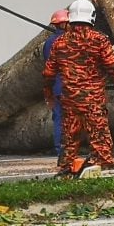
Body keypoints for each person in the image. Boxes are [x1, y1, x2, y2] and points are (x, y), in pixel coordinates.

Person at [43, 0, 114, 176]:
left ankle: (66, 166)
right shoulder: (100, 40)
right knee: (99, 134)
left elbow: (49, 73)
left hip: (70, 98)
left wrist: (49, 93)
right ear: (92, 17)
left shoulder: (59, 43)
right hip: (93, 99)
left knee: (70, 135)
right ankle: (104, 165)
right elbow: (112, 66)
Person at [41, 9, 70, 157]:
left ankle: (60, 149)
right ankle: (69, 149)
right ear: (64, 23)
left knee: (59, 117)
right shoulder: (71, 41)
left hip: (56, 86)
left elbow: (48, 68)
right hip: (71, 86)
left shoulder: (48, 43)